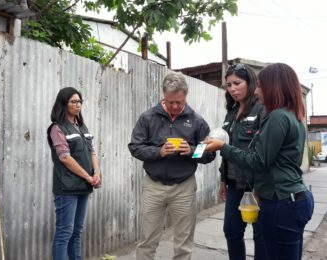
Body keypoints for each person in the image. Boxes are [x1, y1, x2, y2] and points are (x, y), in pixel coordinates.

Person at [204, 63, 314, 260]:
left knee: (265, 242)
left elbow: (259, 160)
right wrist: (223, 176)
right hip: (276, 193)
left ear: (273, 87)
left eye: (260, 85)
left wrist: (222, 147)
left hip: (277, 196)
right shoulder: (288, 114)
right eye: (228, 85)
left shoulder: (274, 115)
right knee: (235, 231)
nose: (257, 89)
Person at [128, 72, 216, 260]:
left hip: (184, 187)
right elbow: (135, 147)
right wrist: (158, 152)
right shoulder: (148, 118)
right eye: (171, 102)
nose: (175, 106)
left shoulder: (197, 121)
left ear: (186, 95)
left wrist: (192, 150)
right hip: (153, 186)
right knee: (147, 240)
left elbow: (210, 154)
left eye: (179, 102)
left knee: (183, 243)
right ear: (163, 95)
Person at [47, 87, 101, 260]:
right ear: (63, 104)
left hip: (84, 185)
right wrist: (87, 176)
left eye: (79, 101)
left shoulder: (81, 126)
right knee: (65, 232)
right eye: (73, 102)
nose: (78, 105)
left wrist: (97, 173)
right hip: (67, 187)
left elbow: (91, 151)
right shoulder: (57, 128)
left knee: (77, 231)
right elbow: (64, 158)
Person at [219, 64, 267, 260]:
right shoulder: (230, 113)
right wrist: (223, 180)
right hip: (233, 184)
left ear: (251, 83)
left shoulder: (262, 109)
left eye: (237, 83)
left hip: (257, 185)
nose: (232, 89)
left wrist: (261, 186)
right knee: (231, 230)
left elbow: (264, 152)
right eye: (229, 85)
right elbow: (225, 149)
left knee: (261, 235)